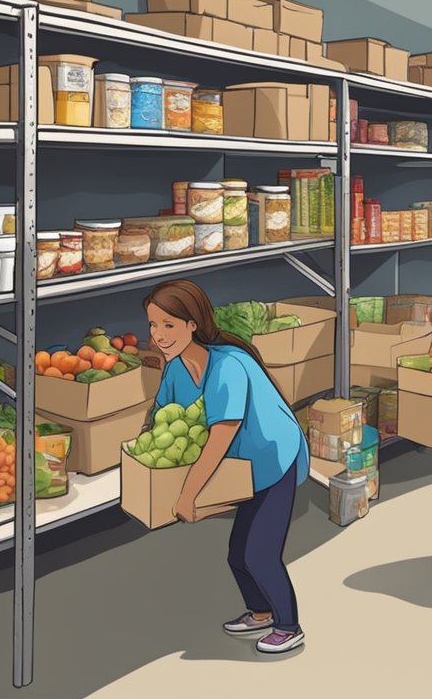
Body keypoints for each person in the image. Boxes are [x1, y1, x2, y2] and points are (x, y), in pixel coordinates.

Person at [146, 280, 310, 655]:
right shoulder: (175, 369)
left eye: (169, 325)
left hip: (271, 459)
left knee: (260, 554)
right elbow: (159, 421)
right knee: (238, 553)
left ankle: (289, 625)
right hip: (239, 467)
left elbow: (222, 434)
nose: (159, 335)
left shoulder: (228, 366)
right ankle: (261, 612)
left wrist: (187, 495)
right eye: (153, 325)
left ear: (192, 324)